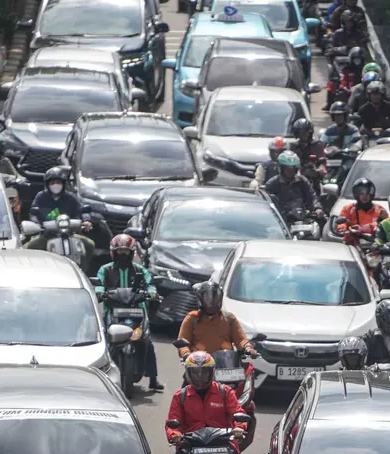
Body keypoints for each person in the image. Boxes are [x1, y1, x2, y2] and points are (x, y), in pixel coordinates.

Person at [166, 351, 248, 454]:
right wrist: (175, 435)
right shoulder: (180, 396)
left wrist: (239, 428)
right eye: (195, 373)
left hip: (221, 440)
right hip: (192, 442)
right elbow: (172, 422)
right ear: (188, 374)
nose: (200, 377)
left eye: (204, 372)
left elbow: (238, 413)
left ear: (212, 372)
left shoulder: (225, 392)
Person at [97, 235, 162, 391]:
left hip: (137, 310)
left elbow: (150, 284)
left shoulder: (140, 270)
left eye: (126, 251)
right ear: (113, 252)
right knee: (103, 341)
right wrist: (99, 292)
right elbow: (99, 284)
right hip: (113, 311)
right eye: (119, 251)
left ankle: (153, 378)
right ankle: (100, 375)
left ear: (132, 253)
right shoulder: (105, 269)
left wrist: (152, 292)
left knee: (148, 341)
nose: (123, 254)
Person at [176, 281, 257, 359]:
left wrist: (248, 348)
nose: (210, 302)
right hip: (199, 365)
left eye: (214, 298)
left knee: (248, 371)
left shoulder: (229, 318)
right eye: (207, 298)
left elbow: (241, 340)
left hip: (226, 363)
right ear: (200, 300)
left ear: (219, 299)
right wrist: (186, 354)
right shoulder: (192, 318)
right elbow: (182, 342)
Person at [26, 166, 94, 252]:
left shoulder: (70, 197)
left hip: (70, 234)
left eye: (58, 182)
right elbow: (33, 213)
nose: (55, 185)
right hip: (47, 235)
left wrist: (86, 220)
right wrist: (36, 223)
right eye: (52, 183)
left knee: (89, 245)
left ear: (63, 184)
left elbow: (82, 209)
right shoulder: (41, 197)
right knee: (31, 247)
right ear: (47, 184)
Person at [265, 151, 321, 221]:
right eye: (287, 168)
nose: (290, 171)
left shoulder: (302, 181)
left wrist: (317, 208)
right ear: (281, 168)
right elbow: (266, 203)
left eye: (293, 168)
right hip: (280, 220)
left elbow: (312, 197)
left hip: (301, 218)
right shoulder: (272, 183)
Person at [333, 176, 387, 240]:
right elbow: (341, 223)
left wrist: (370, 227)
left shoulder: (381, 210)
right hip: (352, 244)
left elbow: (386, 225)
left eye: (367, 193)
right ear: (356, 194)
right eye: (361, 193)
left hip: (373, 243)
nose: (364, 196)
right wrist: (342, 228)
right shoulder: (348, 209)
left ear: (372, 194)